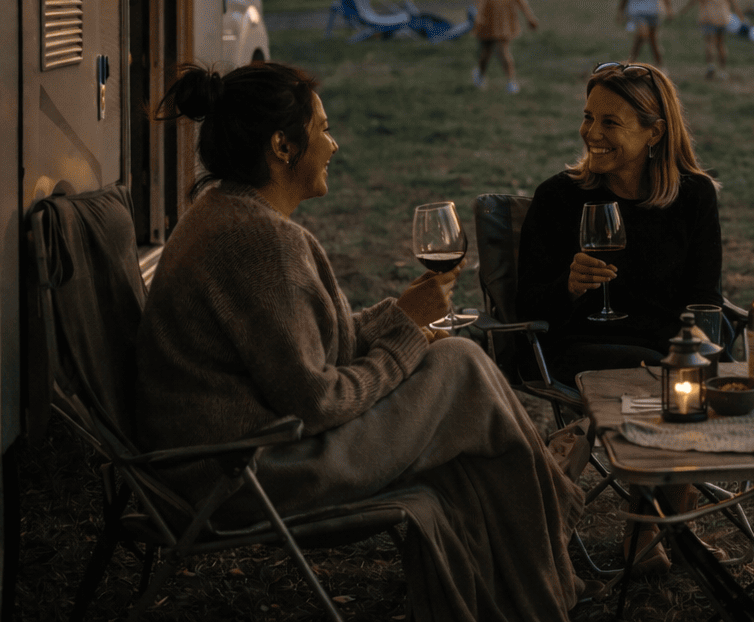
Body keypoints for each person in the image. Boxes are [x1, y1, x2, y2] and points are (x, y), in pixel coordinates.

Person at [137, 62, 584, 622]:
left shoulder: (228, 213)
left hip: (235, 454)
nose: (334, 143)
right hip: (248, 473)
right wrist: (404, 336)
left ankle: (541, 488)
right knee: (459, 367)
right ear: (282, 145)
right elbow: (318, 400)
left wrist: (401, 316)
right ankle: (551, 499)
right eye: (322, 129)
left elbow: (311, 344)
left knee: (453, 371)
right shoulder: (261, 243)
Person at [517, 63, 722, 386]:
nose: (591, 133)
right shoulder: (558, 197)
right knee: (660, 375)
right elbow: (524, 307)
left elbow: (705, 299)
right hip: (578, 348)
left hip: (667, 347)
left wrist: (694, 348)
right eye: (588, 117)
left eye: (610, 123)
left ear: (654, 132)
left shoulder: (693, 195)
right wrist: (569, 288)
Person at [681, 0, 744, 79]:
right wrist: (739, 14)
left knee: (709, 43)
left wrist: (685, 9)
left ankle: (711, 66)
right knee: (721, 44)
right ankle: (722, 70)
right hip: (722, 18)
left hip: (707, 18)